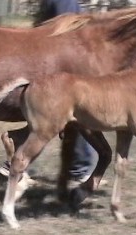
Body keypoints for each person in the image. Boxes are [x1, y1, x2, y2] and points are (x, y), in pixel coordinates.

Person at [33, 0, 99, 183]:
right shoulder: (66, 1)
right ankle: (80, 168)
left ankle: (80, 166)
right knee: (78, 114)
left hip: (50, 62)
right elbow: (70, 35)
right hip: (62, 66)